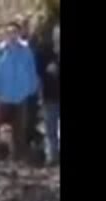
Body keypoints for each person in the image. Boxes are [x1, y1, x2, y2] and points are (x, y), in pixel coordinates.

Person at [0, 21, 38, 165]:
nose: (12, 35)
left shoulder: (26, 52)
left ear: (19, 34)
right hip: (1, 97)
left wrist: (30, 88)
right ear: (5, 34)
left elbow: (31, 72)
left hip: (20, 97)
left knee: (19, 130)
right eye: (9, 32)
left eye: (15, 32)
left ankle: (17, 160)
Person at [35, 24, 59, 166]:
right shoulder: (44, 52)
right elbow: (37, 74)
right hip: (49, 96)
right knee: (50, 129)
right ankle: (52, 157)